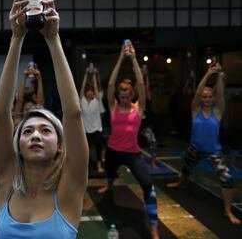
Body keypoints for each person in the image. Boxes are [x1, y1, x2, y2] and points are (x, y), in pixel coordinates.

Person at [0, 0, 88, 238]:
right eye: (27, 131)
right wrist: (16, 38)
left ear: (59, 146)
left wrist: (53, 40)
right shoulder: (6, 182)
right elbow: (1, 114)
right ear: (18, 145)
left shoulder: (70, 188)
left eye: (46, 130)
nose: (35, 135)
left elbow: (74, 114)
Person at [97, 42, 159, 239]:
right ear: (118, 96)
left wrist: (132, 58)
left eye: (127, 96)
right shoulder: (114, 107)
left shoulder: (138, 109)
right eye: (121, 96)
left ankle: (154, 227)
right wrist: (120, 58)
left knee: (148, 185)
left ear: (131, 95)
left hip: (133, 154)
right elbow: (110, 84)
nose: (124, 99)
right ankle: (109, 184)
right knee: (109, 172)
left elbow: (141, 85)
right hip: (114, 151)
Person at [167, 63, 240, 225]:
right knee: (186, 167)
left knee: (227, 178)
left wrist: (219, 73)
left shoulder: (218, 112)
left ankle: (227, 211)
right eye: (204, 97)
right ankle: (180, 183)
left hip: (214, 152)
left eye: (209, 97)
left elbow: (220, 93)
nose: (206, 99)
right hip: (195, 148)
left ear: (213, 98)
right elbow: (198, 92)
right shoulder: (195, 110)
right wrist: (208, 74)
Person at [79, 66, 104, 173]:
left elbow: (96, 86)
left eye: (91, 91)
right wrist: (86, 74)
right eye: (88, 91)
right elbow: (83, 87)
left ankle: (99, 164)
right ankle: (85, 166)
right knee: (85, 150)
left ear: (94, 93)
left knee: (98, 147)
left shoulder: (97, 100)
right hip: (85, 130)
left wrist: (93, 74)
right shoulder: (82, 100)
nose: (89, 93)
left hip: (97, 128)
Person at [139, 64, 159, 169]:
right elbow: (139, 86)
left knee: (153, 142)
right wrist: (141, 75)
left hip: (145, 127)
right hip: (135, 127)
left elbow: (147, 89)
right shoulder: (135, 99)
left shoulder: (147, 100)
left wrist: (146, 76)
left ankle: (153, 162)